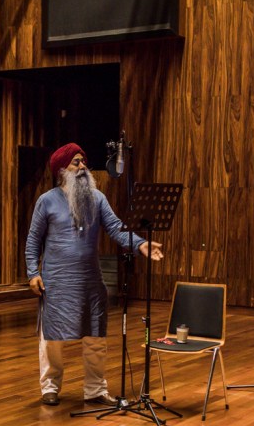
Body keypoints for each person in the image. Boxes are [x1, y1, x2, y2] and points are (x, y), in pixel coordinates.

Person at [25, 142, 164, 407]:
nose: (82, 166)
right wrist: (33, 272)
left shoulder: (97, 198)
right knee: (52, 339)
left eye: (83, 161)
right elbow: (33, 240)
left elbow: (116, 228)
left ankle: (95, 389)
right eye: (76, 162)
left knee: (95, 337)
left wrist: (140, 244)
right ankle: (50, 387)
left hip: (90, 281)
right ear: (61, 169)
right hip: (57, 282)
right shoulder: (47, 200)